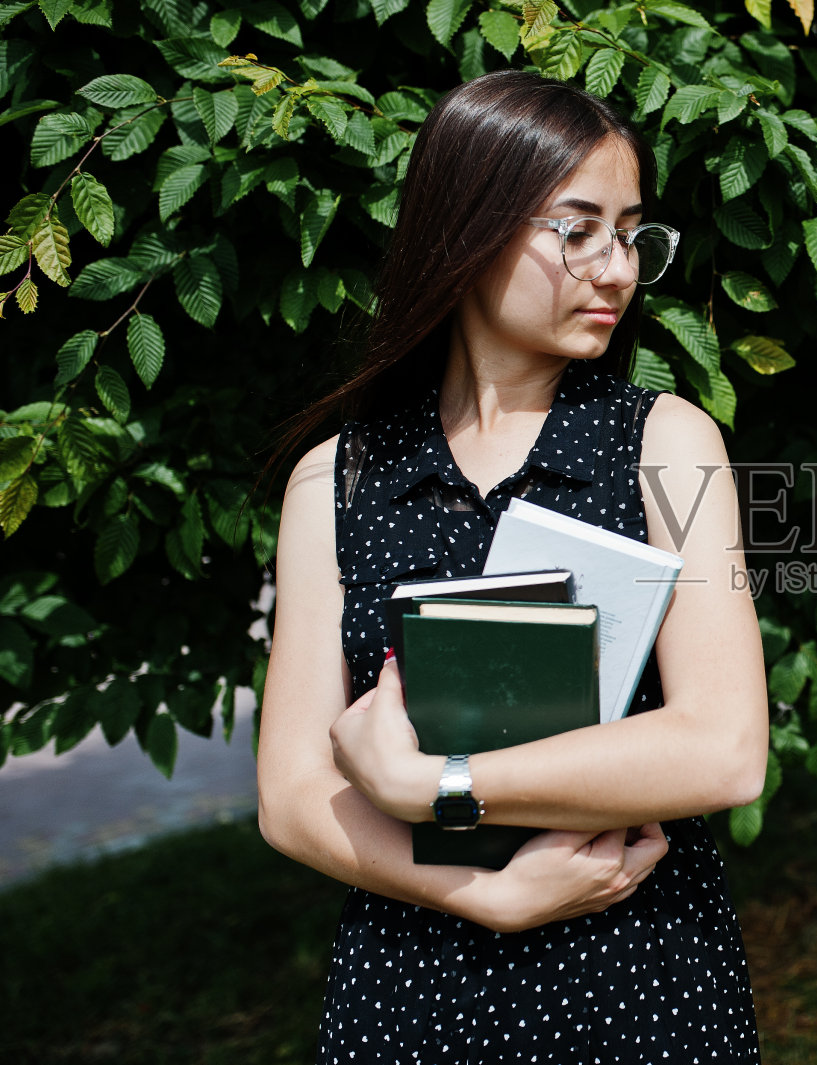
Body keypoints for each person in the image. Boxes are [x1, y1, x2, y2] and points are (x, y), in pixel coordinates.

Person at [257, 70, 768, 1062]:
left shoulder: (664, 445)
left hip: (636, 978)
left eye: (631, 235)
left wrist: (439, 785)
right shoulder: (336, 480)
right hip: (411, 990)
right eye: (577, 231)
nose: (616, 269)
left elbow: (724, 747)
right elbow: (289, 795)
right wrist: (482, 891)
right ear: (467, 229)